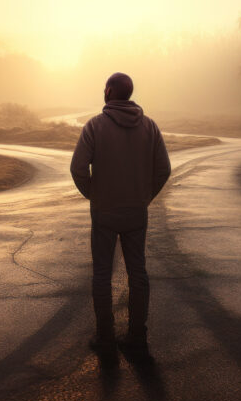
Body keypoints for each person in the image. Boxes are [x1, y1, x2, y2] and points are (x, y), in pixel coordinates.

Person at [70, 72, 171, 363]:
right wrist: (143, 197)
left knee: (102, 275)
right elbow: (163, 169)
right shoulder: (150, 127)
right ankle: (137, 336)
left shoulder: (94, 126)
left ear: (110, 91)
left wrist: (95, 195)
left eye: (105, 88)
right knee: (137, 273)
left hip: (104, 212)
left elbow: (78, 168)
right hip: (136, 213)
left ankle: (105, 338)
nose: (103, 91)